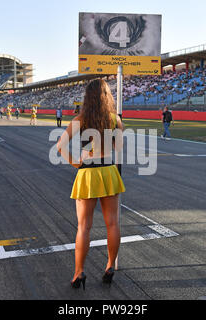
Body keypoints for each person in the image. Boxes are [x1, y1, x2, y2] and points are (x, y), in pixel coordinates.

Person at [57, 79, 125, 291]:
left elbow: (60, 146)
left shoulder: (81, 119)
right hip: (108, 169)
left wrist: (77, 162)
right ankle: (109, 266)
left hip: (88, 171)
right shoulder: (116, 120)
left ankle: (78, 273)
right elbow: (119, 148)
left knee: (84, 226)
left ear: (88, 98)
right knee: (112, 223)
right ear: (107, 97)